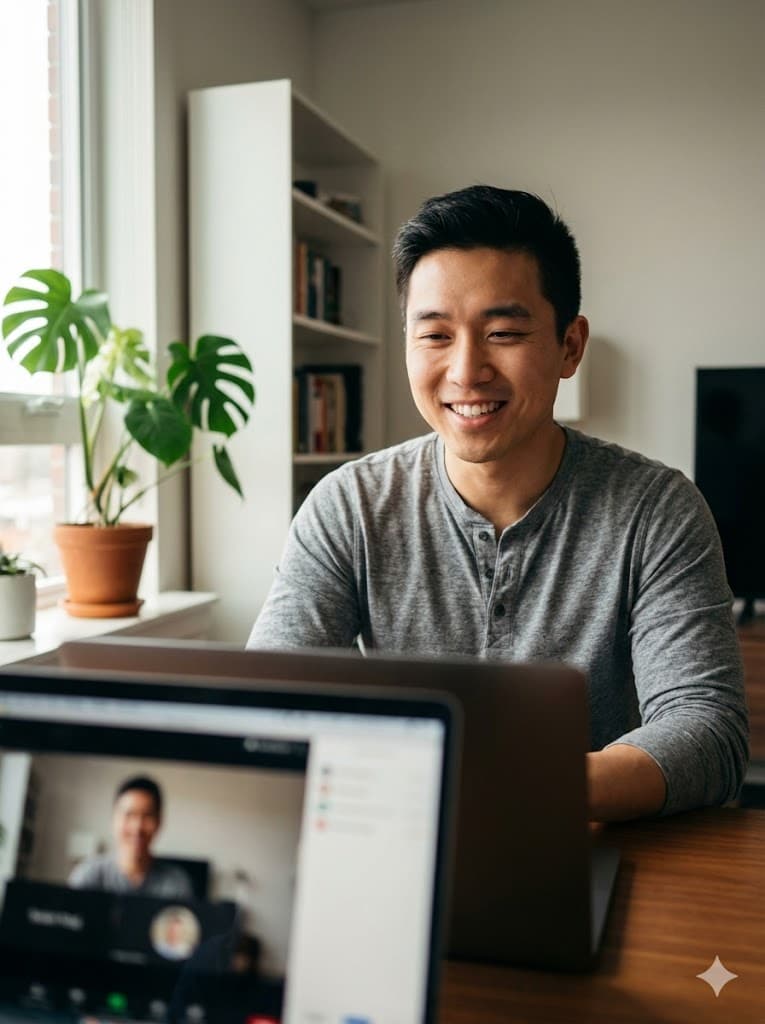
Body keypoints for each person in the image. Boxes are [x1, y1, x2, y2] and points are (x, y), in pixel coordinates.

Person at [248, 185, 748, 822]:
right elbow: (267, 698)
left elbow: (708, 731)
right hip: (395, 834)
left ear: (570, 345)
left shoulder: (657, 510)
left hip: (585, 843)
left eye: (504, 332)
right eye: (434, 335)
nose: (466, 370)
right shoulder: (348, 506)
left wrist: (512, 794)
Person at [69, 775, 194, 898]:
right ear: (114, 820)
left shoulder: (176, 882)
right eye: (129, 815)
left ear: (159, 822)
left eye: (147, 816)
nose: (137, 827)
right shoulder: (88, 874)